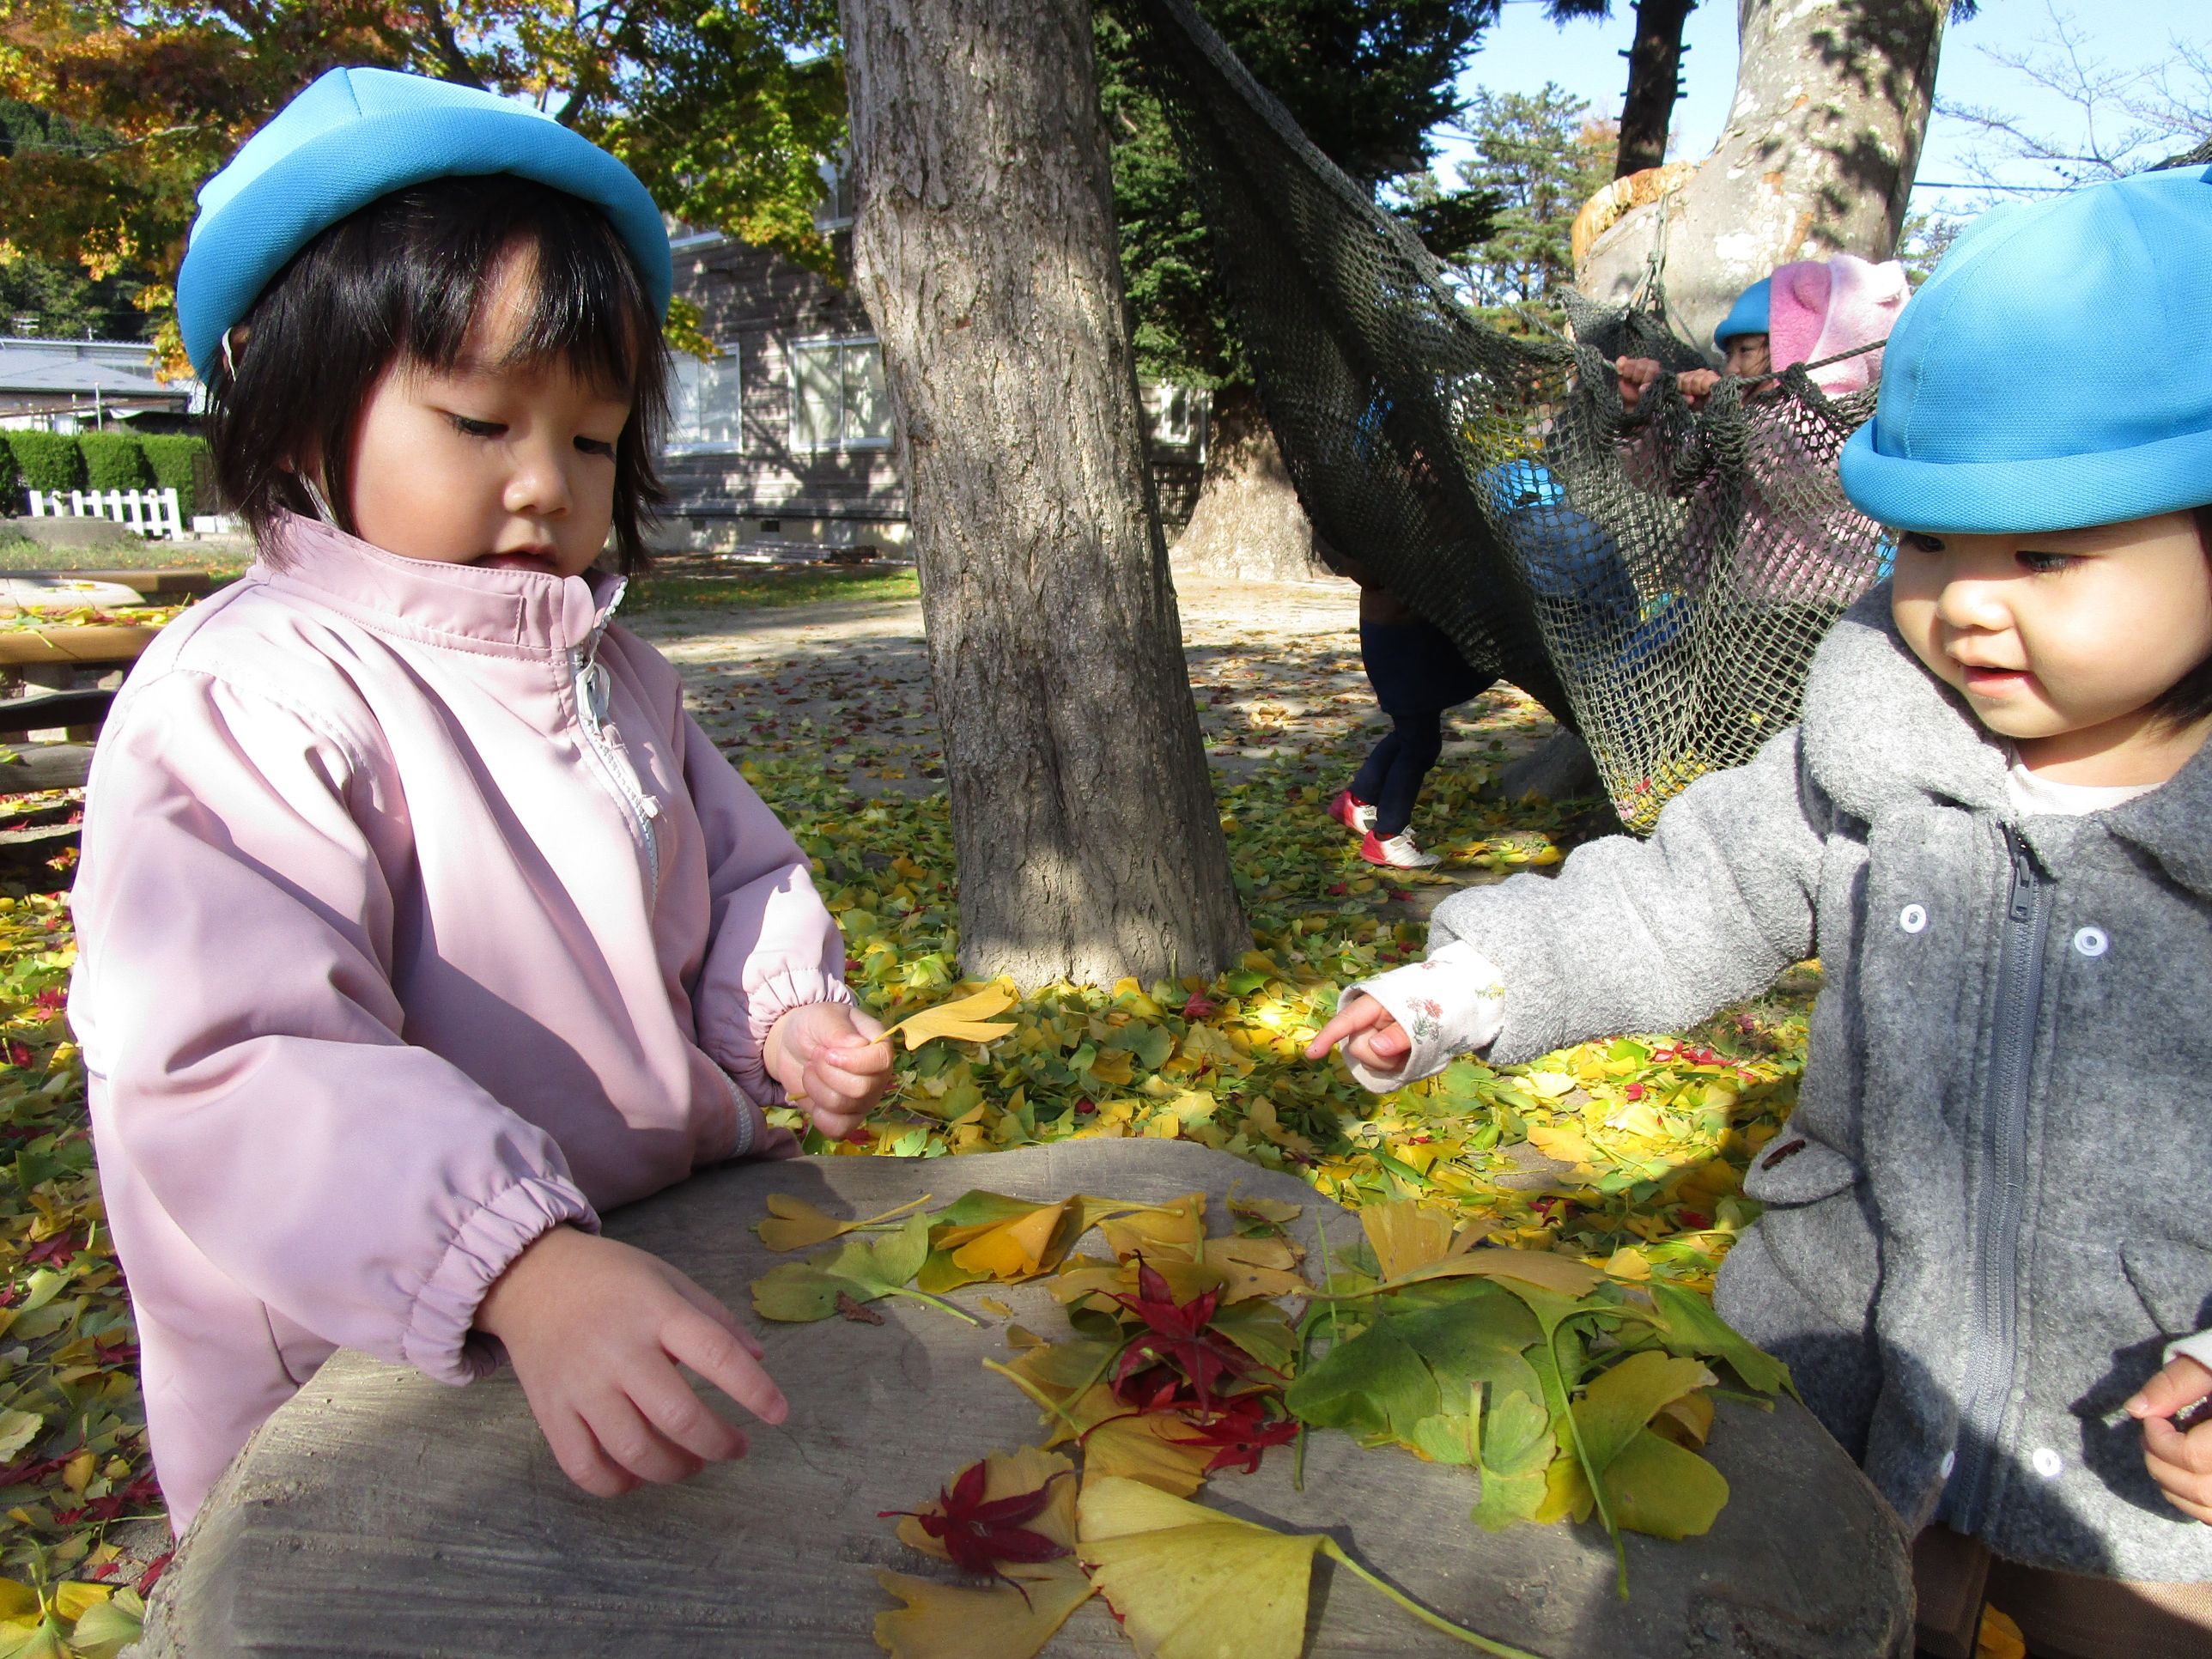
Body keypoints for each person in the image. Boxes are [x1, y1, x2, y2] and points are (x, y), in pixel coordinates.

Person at [1308, 167, 2212, 1658]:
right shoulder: (1880, 751)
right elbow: (1685, 893)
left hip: (2142, 1474)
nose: (1970, 603)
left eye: (2046, 554)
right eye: (1929, 546)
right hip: (1850, 1379)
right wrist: (1471, 986)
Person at [66, 68, 896, 1529]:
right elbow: (236, 1057)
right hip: (367, 1373)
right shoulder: (253, 690)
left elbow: (735, 874)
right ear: (295, 415)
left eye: (588, 442)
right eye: (476, 423)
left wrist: (784, 1011)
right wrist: (512, 1258)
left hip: (639, 1277)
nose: (545, 492)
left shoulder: (615, 670)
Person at [1328, 557, 1492, 869]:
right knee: (1419, 742)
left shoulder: (1384, 532)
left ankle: (1357, 800)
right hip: (1399, 638)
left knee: (1413, 733)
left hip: (1398, 634)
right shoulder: (1386, 538)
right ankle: (1387, 838)